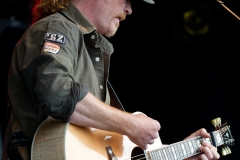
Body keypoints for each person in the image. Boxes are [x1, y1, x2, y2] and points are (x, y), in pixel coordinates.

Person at [2, 0, 220, 159]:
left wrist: (179, 155)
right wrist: (130, 124)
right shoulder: (57, 28)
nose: (129, 10)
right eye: (127, 0)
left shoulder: (89, 48)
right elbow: (56, 94)